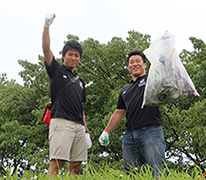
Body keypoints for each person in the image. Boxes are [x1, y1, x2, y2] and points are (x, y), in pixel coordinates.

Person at [99, 50, 166, 178]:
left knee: (156, 170)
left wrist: (164, 57)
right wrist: (106, 131)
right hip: (129, 135)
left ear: (145, 64)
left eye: (138, 61)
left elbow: (164, 76)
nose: (134, 64)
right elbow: (119, 113)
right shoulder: (125, 90)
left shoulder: (151, 80)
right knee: (131, 172)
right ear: (128, 66)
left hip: (151, 131)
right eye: (131, 62)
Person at [42, 14, 92, 178]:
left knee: (76, 167)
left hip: (78, 126)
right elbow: (45, 49)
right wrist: (46, 27)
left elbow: (81, 108)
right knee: (57, 163)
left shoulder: (80, 81)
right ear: (64, 56)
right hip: (61, 122)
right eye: (70, 54)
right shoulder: (56, 71)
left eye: (77, 55)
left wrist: (86, 131)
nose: (73, 57)